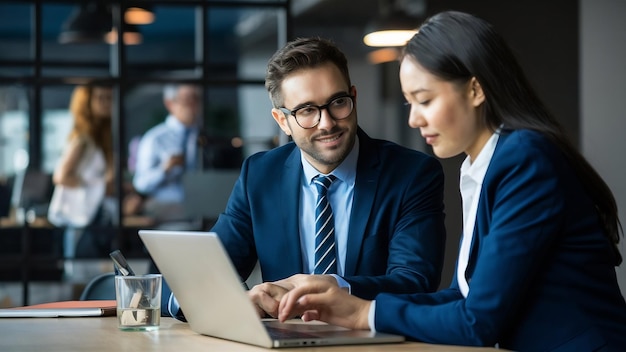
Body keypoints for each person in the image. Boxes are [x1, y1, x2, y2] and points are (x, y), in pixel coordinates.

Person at [276, 11, 626, 351]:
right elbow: (464, 297)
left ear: (475, 90)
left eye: (424, 100)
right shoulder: (481, 165)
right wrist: (344, 303)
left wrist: (366, 313)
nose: (413, 119)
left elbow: (477, 321)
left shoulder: (523, 158)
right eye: (409, 103)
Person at [166, 37, 447, 319]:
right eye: (307, 111)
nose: (327, 123)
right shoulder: (260, 175)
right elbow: (204, 274)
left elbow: (414, 282)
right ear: (282, 121)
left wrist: (332, 288)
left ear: (353, 96)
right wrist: (242, 299)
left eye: (338, 102)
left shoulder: (412, 174)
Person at [52, 83, 116, 258]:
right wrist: (97, 186)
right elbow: (61, 176)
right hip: (79, 217)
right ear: (87, 103)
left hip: (94, 216)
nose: (106, 103)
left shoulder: (103, 138)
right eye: (100, 98)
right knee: (80, 272)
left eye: (109, 98)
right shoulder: (83, 139)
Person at [132, 84, 202, 222]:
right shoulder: (155, 138)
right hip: (166, 212)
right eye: (187, 99)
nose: (193, 105)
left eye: (196, 99)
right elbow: (140, 183)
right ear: (170, 104)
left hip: (202, 208)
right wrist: (164, 169)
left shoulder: (204, 136)